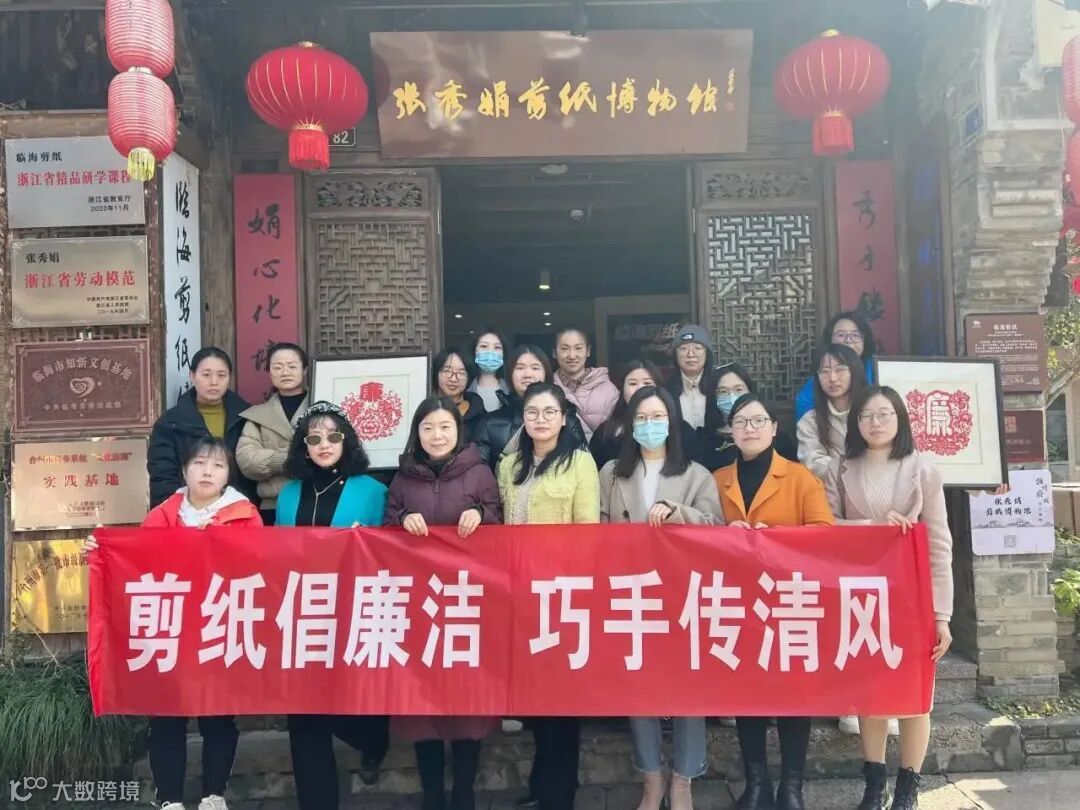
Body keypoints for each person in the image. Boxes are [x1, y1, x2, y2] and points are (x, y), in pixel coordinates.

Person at [85, 438, 261, 810]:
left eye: (217, 465)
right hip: (171, 627)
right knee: (166, 715)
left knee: (217, 715)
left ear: (228, 475)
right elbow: (138, 564)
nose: (207, 472)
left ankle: (213, 796)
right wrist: (103, 552)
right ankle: (169, 799)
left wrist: (217, 546)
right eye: (199, 463)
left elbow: (261, 567)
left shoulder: (245, 515)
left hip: (218, 624)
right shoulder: (162, 515)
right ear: (184, 470)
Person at [822, 386, 954, 810]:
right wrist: (871, 527)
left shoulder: (923, 469)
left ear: (900, 419)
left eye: (884, 414)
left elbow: (938, 544)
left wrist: (942, 614)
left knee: (914, 694)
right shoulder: (840, 467)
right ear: (855, 423)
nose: (875, 422)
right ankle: (874, 783)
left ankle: (908, 787)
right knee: (870, 690)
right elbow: (824, 527)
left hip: (912, 597)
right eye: (866, 415)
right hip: (861, 595)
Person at [598, 386, 721, 810]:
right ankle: (651, 777)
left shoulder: (696, 474)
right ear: (630, 424)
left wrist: (677, 512)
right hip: (630, 592)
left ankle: (684, 778)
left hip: (682, 594)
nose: (649, 425)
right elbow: (596, 532)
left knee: (689, 688)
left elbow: (716, 527)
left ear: (671, 422)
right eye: (642, 418)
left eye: (657, 417)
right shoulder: (611, 472)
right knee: (640, 687)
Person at [713, 394, 834, 810]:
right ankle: (757, 784)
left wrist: (777, 539)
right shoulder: (718, 479)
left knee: (793, 694)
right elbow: (703, 535)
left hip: (788, 601)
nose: (749, 428)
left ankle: (792, 788)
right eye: (740, 422)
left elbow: (824, 534)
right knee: (747, 692)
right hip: (738, 601)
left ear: (774, 427)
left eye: (758, 420)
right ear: (730, 431)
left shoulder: (800, 478)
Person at [384, 396, 502, 810]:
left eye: (445, 427)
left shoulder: (479, 473)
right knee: (423, 706)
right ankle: (432, 795)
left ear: (458, 431)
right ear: (417, 433)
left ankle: (464, 791)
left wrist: (481, 515)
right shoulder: (402, 479)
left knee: (467, 702)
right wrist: (402, 521)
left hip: (467, 604)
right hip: (418, 606)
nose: (437, 435)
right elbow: (384, 532)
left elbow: (500, 523)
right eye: (428, 428)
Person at [275, 401, 389, 810]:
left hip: (354, 611)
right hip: (302, 613)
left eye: (333, 436)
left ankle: (375, 742)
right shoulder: (289, 493)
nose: (324, 444)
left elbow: (392, 553)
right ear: (304, 447)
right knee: (303, 718)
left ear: (347, 441)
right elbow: (276, 553)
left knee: (352, 706)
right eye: (315, 438)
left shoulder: (373, 490)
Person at [498, 382, 600, 810]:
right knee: (534, 696)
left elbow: (588, 531)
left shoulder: (580, 462)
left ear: (563, 417)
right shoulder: (509, 464)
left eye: (549, 412)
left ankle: (560, 793)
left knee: (561, 699)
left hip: (561, 594)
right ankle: (541, 784)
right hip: (518, 594)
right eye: (532, 412)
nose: (540, 420)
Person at [148, 347, 255, 507]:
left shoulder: (247, 416)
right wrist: (175, 511)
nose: (214, 382)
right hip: (188, 509)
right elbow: (162, 474)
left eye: (221, 375)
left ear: (229, 378)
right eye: (206, 375)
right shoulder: (171, 422)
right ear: (192, 376)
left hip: (239, 508)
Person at [473, 344, 586, 470]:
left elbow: (583, 467)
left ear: (546, 373)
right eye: (520, 368)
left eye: (535, 368)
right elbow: (479, 473)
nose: (528, 374)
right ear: (510, 374)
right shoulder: (489, 423)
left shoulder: (568, 419)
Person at [236, 342, 310, 524]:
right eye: (277, 367)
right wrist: (288, 460)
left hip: (317, 498)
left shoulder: (322, 406)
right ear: (269, 372)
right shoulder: (258, 415)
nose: (285, 372)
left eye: (292, 366)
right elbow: (246, 460)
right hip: (273, 504)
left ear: (305, 370)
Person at [690, 363, 798, 472]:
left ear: (749, 391)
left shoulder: (774, 436)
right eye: (723, 391)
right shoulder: (702, 441)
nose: (732, 397)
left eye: (738, 389)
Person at [796, 343, 867, 480]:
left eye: (839, 370)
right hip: (832, 489)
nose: (832, 378)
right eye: (825, 371)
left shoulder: (872, 413)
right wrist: (852, 470)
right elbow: (812, 462)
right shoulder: (810, 420)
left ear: (854, 372)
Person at [794, 311, 877, 422]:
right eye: (841, 335)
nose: (848, 340)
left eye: (855, 335)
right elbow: (804, 406)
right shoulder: (823, 373)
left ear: (864, 340)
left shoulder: (876, 367)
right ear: (830, 340)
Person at [588, 359, 664, 470]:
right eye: (633, 383)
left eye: (647, 383)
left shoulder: (677, 427)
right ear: (622, 390)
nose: (639, 389)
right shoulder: (604, 433)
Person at [552, 326, 620, 441]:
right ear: (554, 353)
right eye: (564, 349)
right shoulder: (547, 388)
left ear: (588, 351)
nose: (572, 355)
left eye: (578, 348)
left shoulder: (609, 389)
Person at [664, 324, 718, 434]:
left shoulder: (720, 385)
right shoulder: (666, 390)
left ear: (707, 353)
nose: (690, 354)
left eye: (697, 348)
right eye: (683, 349)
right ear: (675, 355)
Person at [433, 347, 486, 444]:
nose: (453, 379)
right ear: (436, 373)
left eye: (461, 373)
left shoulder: (479, 415)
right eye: (447, 371)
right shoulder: (426, 409)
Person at [469, 328, 509, 412]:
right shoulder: (465, 391)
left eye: (497, 347)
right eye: (484, 346)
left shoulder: (511, 392)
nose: (490, 352)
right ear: (474, 352)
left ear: (503, 354)